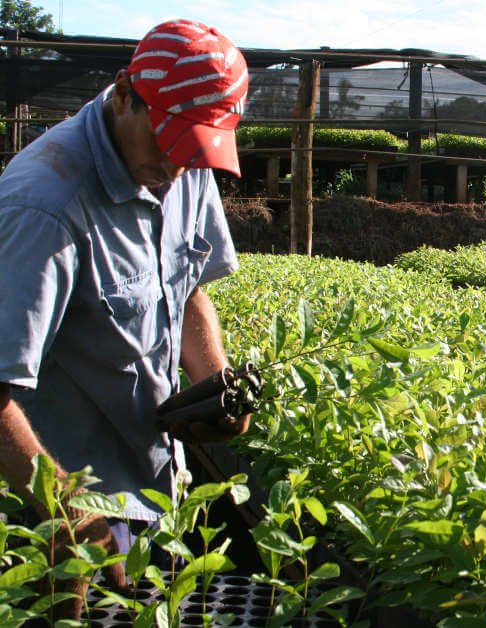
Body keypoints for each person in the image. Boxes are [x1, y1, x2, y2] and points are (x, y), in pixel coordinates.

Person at [0, 18, 251, 619]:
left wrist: (212, 382)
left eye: (198, 151)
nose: (179, 168)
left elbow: (184, 283)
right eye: (170, 143)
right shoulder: (46, 205)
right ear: (124, 96)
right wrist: (63, 509)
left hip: (151, 488)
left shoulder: (182, 165)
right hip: (48, 503)